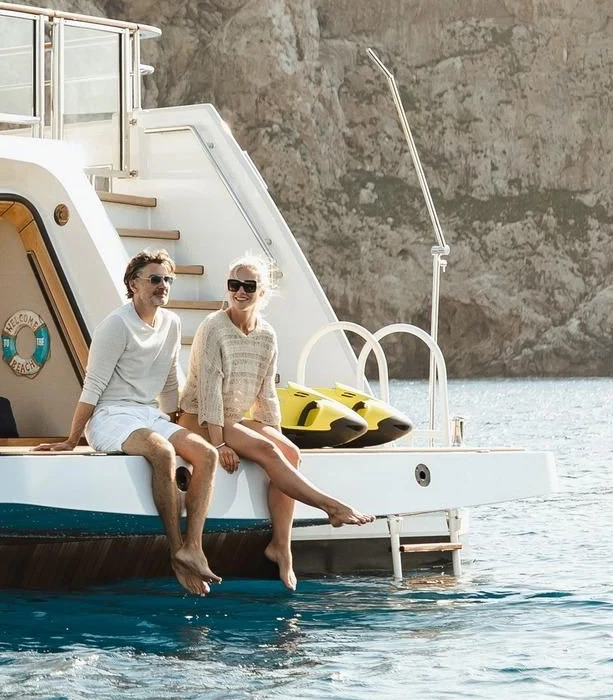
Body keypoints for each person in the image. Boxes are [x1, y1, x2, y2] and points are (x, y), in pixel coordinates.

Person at [178, 255, 376, 589]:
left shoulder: (267, 335)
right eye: (234, 285)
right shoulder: (213, 327)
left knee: (288, 453)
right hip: (200, 417)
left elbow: (266, 393)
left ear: (263, 293)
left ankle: (281, 547)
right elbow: (208, 389)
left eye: (248, 286)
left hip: (233, 417)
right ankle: (331, 506)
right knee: (269, 450)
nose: (240, 292)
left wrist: (277, 435)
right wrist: (220, 442)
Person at [41, 250, 221, 596]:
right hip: (110, 416)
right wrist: (71, 440)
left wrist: (175, 421)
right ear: (133, 284)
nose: (162, 286)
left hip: (147, 415)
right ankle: (175, 549)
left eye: (167, 279)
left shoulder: (172, 323)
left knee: (207, 454)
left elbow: (170, 378)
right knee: (164, 453)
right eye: (154, 279)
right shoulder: (115, 325)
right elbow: (92, 385)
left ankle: (193, 547)